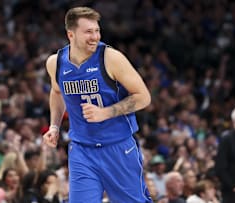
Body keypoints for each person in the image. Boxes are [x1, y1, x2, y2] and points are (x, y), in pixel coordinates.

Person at [42, 6, 152, 203]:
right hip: (82, 149)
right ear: (71, 34)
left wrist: (107, 112)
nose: (95, 36)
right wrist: (55, 126)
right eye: (88, 32)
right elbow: (57, 92)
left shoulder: (111, 58)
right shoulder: (55, 63)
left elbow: (143, 96)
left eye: (97, 31)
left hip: (118, 147)